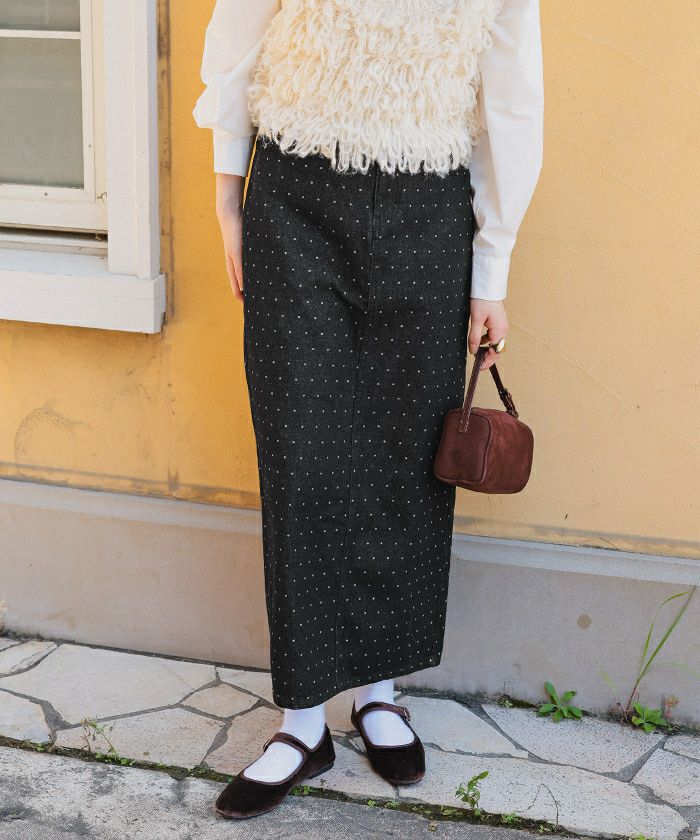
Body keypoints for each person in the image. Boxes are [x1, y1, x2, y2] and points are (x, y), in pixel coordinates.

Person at [193, 0, 544, 819]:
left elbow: (511, 98)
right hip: (297, 195)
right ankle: (302, 721)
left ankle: (378, 694)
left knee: (404, 458)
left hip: (428, 206)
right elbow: (236, 35)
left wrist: (492, 270)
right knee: (300, 458)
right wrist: (226, 195)